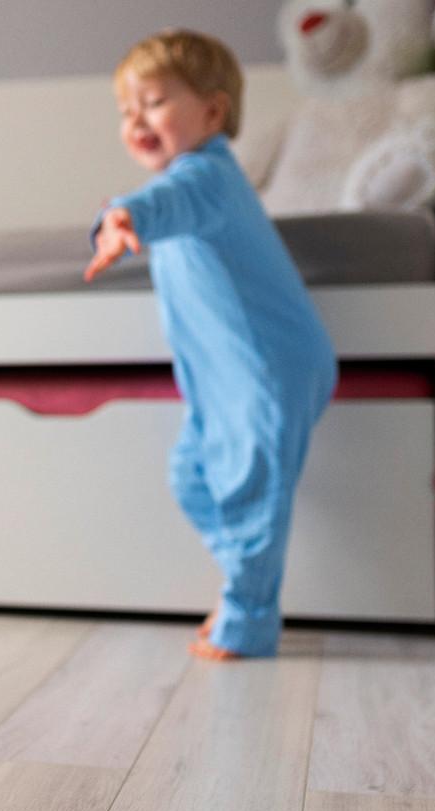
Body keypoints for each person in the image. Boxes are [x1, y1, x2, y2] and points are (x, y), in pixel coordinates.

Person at [85, 29, 337, 659]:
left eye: (154, 103)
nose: (136, 119)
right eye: (127, 110)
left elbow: (166, 202)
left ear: (213, 111)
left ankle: (249, 618)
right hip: (225, 375)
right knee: (193, 475)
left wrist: (124, 218)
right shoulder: (191, 183)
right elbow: (162, 203)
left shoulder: (208, 178)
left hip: (269, 367)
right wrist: (119, 219)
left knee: (251, 490)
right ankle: (242, 586)